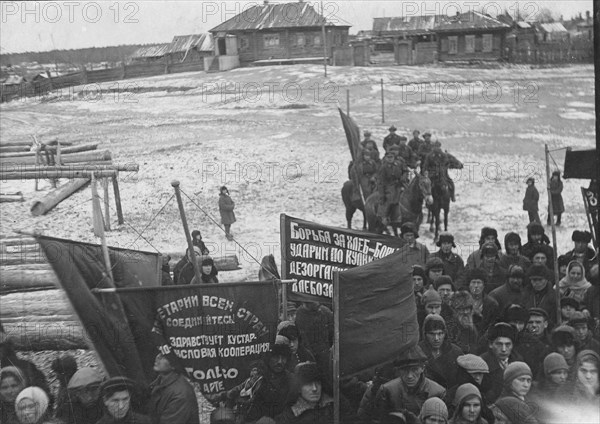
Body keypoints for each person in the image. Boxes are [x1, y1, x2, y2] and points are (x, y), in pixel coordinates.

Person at [374, 345, 446, 418]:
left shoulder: (438, 392)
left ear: (422, 368)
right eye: (404, 370)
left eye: (415, 370)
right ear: (399, 370)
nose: (409, 376)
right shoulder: (387, 390)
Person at [149, 353, 200, 424]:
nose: (157, 357)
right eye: (158, 353)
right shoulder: (161, 380)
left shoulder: (180, 394)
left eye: (163, 356)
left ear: (174, 364)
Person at [480, 323, 523, 403]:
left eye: (508, 344)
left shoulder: (518, 362)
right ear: (490, 344)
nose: (503, 349)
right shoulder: (481, 363)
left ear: (513, 345)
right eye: (499, 344)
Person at [249, 344, 293, 422]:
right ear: (269, 358)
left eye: (283, 358)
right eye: (276, 357)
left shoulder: (292, 380)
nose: (280, 361)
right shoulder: (259, 378)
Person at [419, 314, 463, 389]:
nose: (436, 338)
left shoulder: (456, 352)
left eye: (440, 334)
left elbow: (462, 378)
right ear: (425, 334)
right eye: (432, 334)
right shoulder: (418, 352)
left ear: (445, 334)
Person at [528, 353, 570, 422]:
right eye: (559, 373)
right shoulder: (535, 392)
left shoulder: (567, 392)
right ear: (548, 373)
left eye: (565, 373)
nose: (563, 377)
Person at [377, 151, 408, 226]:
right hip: (389, 185)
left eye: (392, 157)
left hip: (400, 183)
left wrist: (404, 177)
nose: (390, 159)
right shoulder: (383, 167)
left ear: (394, 158)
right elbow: (381, 181)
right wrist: (382, 193)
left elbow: (405, 170)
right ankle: (385, 216)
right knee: (391, 198)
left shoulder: (398, 164)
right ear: (386, 158)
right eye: (388, 157)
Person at [466, 269, 500, 336]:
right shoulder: (462, 302)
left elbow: (493, 325)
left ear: (484, 285)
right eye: (473, 282)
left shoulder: (492, 304)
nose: (476, 286)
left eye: (479, 282)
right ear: (469, 285)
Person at [50, 355, 77, 420]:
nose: (56, 377)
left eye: (58, 374)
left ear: (68, 373)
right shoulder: (63, 385)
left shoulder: (75, 392)